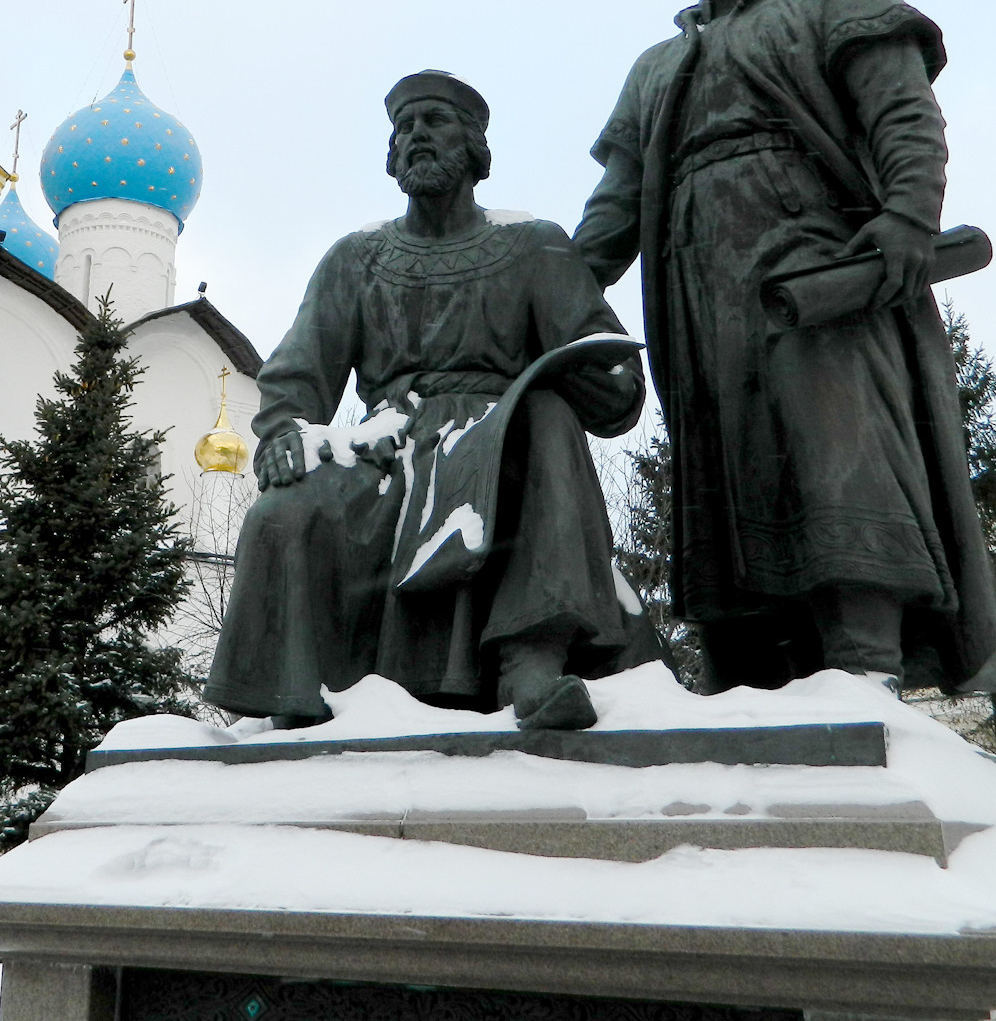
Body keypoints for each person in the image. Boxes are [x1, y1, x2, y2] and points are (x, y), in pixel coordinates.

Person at [572, 0, 996, 694]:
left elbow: (902, 110)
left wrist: (909, 214)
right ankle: (750, 682)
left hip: (820, 268)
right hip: (699, 294)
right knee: (724, 464)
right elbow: (615, 204)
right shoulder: (658, 66)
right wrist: (557, 298)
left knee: (837, 441)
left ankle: (866, 659)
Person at [206, 72, 661, 730]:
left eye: (435, 121)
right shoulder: (356, 259)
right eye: (404, 126)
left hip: (502, 438)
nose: (415, 133)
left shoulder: (534, 245)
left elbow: (605, 358)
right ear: (392, 156)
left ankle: (531, 655)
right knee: (286, 509)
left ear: (474, 147)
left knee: (548, 412)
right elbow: (297, 373)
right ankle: (296, 698)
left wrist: (604, 381)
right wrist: (284, 432)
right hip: (388, 448)